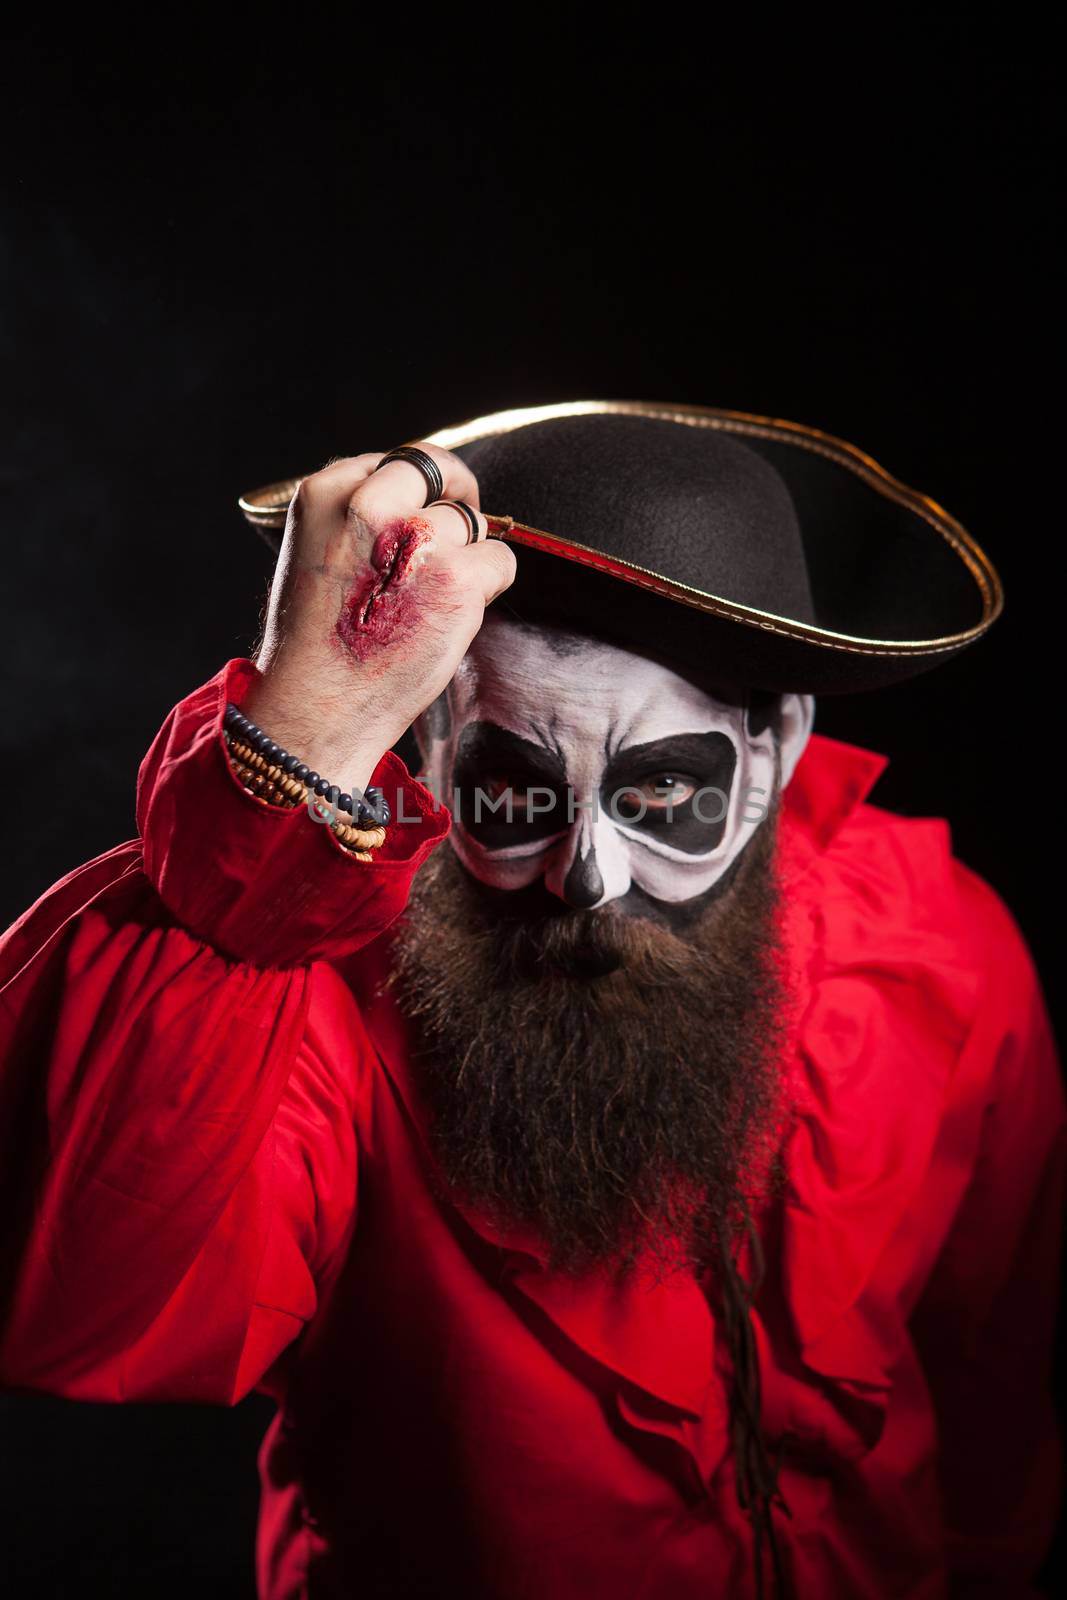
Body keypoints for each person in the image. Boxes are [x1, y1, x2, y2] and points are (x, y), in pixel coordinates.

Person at [0, 403, 1062, 1599]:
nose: (587, 877)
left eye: (661, 795)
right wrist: (299, 737)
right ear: (440, 745)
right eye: (515, 794)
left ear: (769, 752)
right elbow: (73, 1309)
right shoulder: (316, 1012)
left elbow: (991, 1401)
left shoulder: (942, 946)